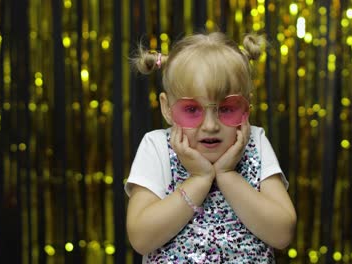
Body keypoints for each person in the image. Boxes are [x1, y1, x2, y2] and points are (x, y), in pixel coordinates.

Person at [125, 31, 297, 263]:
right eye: (192, 110)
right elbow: (141, 238)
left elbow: (282, 233)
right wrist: (199, 180)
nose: (210, 125)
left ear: (247, 107)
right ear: (167, 108)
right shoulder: (156, 147)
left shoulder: (255, 142)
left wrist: (226, 175)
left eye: (226, 109)